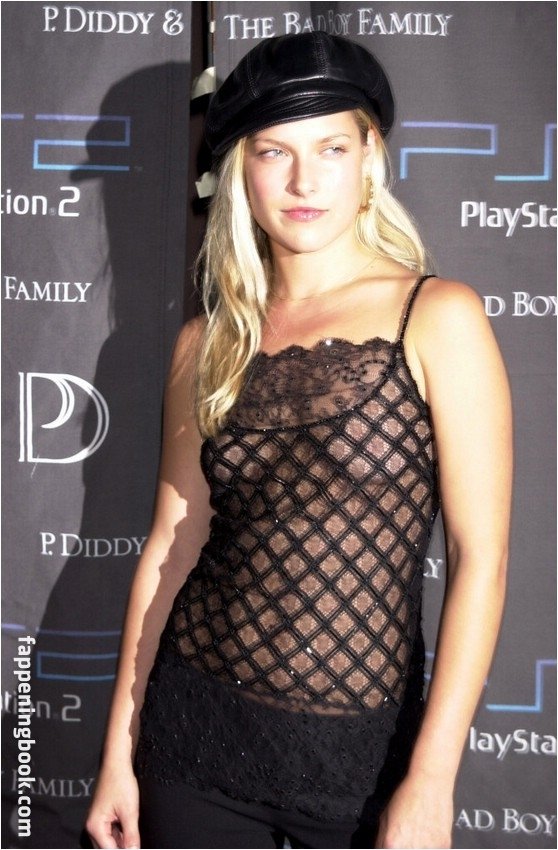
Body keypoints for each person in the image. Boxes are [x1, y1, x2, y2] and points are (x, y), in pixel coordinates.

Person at [86, 32, 512, 850]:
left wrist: (432, 778)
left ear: (369, 157)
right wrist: (118, 754)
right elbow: (172, 547)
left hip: (363, 764)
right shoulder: (206, 340)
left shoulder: (437, 316)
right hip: (194, 736)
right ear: (240, 170)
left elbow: (480, 559)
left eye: (330, 147)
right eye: (274, 151)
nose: (304, 181)